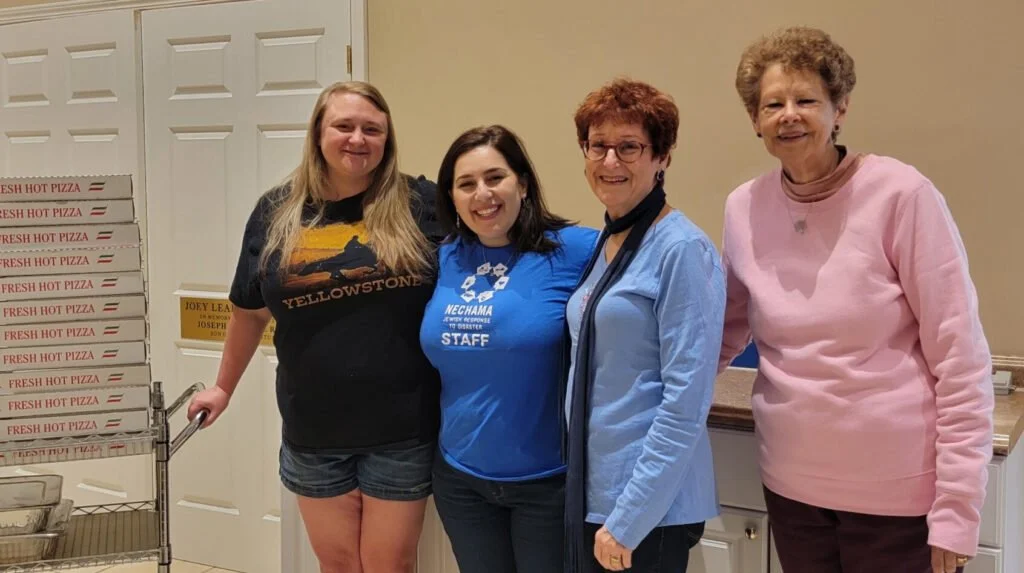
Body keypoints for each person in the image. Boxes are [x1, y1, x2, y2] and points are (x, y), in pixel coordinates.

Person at [718, 26, 995, 573]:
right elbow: (724, 330)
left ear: (839, 108)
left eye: (806, 100)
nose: (788, 114)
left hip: (896, 500)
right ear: (755, 119)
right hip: (793, 488)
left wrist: (957, 512)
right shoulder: (743, 207)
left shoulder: (901, 194)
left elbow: (961, 359)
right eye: (773, 103)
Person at [187, 81, 443, 573]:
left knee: (390, 564)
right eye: (343, 126)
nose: (357, 139)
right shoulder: (276, 211)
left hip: (404, 426)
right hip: (313, 430)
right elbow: (248, 310)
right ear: (318, 134)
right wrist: (222, 387)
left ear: (387, 139)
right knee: (339, 564)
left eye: (373, 129)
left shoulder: (420, 203)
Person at [419, 125, 597, 573]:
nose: (483, 194)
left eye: (495, 177)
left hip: (547, 483)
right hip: (460, 480)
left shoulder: (575, 249)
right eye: (466, 184)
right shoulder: (443, 258)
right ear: (452, 198)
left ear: (522, 182)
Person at [564, 79, 725, 573]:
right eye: (599, 145)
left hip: (643, 509)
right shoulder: (607, 240)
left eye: (630, 147)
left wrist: (629, 519)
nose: (611, 161)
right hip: (595, 493)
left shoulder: (680, 249)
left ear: (663, 157)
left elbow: (685, 401)